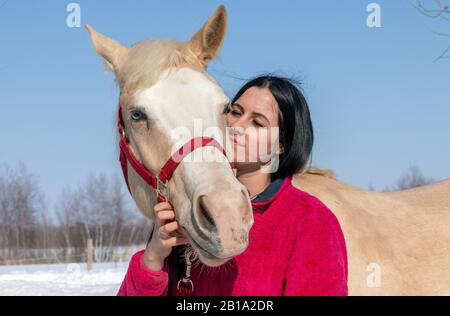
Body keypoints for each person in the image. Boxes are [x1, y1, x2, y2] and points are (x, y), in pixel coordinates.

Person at [117, 75, 348, 296]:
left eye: (257, 123)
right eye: (234, 112)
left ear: (281, 146)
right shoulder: (188, 207)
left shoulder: (311, 221)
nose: (237, 126)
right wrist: (153, 259)